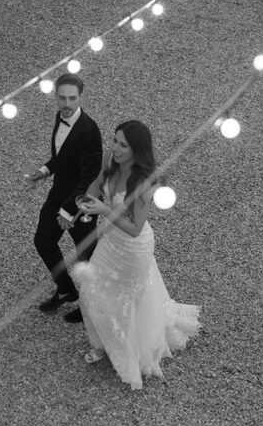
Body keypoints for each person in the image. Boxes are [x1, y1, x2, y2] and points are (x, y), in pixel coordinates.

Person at [72, 120, 201, 391]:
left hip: (133, 248)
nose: (115, 148)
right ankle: (102, 342)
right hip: (110, 242)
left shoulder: (143, 183)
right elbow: (97, 183)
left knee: (123, 302)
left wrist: (104, 211)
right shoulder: (110, 160)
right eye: (115, 141)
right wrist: (86, 201)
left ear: (136, 150)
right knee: (89, 292)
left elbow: (134, 228)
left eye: (122, 145)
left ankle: (124, 350)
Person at [26, 73, 103, 318]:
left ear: (80, 97)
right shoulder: (59, 118)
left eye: (72, 98)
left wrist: (69, 210)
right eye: (62, 98)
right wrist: (45, 170)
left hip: (82, 202)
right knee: (43, 240)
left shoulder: (90, 131)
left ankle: (91, 304)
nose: (67, 104)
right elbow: (63, 156)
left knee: (86, 255)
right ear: (55, 97)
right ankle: (66, 289)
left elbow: (89, 178)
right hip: (59, 191)